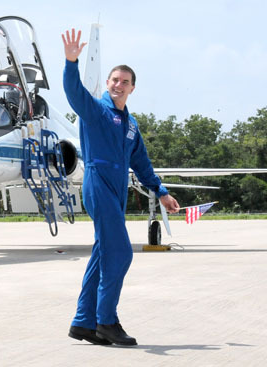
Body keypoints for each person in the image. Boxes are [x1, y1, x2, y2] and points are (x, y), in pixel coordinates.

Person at [61, 29, 180, 346]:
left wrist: (162, 192)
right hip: (98, 183)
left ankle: (83, 323)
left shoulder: (131, 125)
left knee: (103, 253)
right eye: (114, 80)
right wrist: (71, 62)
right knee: (121, 253)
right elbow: (74, 93)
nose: (118, 85)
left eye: (124, 82)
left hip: (117, 190)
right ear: (108, 83)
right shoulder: (97, 111)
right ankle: (106, 321)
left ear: (132, 88)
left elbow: (141, 163)